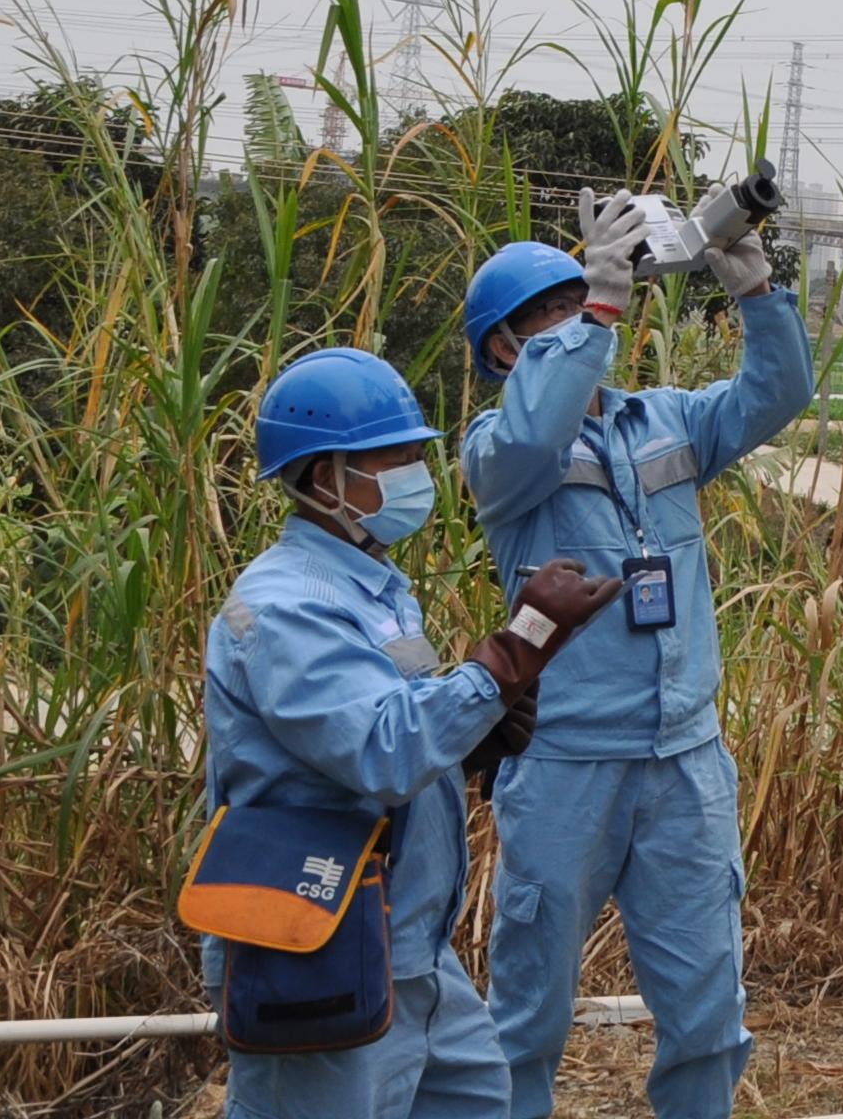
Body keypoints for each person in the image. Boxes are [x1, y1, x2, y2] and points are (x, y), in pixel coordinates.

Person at [462, 183, 812, 1119]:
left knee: (707, 1015)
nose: (580, 323)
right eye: (549, 318)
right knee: (527, 1014)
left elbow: (779, 394)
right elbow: (538, 424)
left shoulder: (666, 422)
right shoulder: (500, 450)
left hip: (685, 765)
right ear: (504, 351)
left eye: (581, 305)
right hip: (567, 763)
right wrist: (605, 298)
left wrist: (757, 295)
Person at [204, 347, 618, 1119]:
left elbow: (392, 730)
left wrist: (467, 742)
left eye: (415, 454)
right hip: (318, 944)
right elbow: (380, 749)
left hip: (411, 948)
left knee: (476, 1097)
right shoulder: (286, 604)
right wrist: (514, 648)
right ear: (323, 478)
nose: (414, 474)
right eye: (390, 457)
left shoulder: (376, 589)